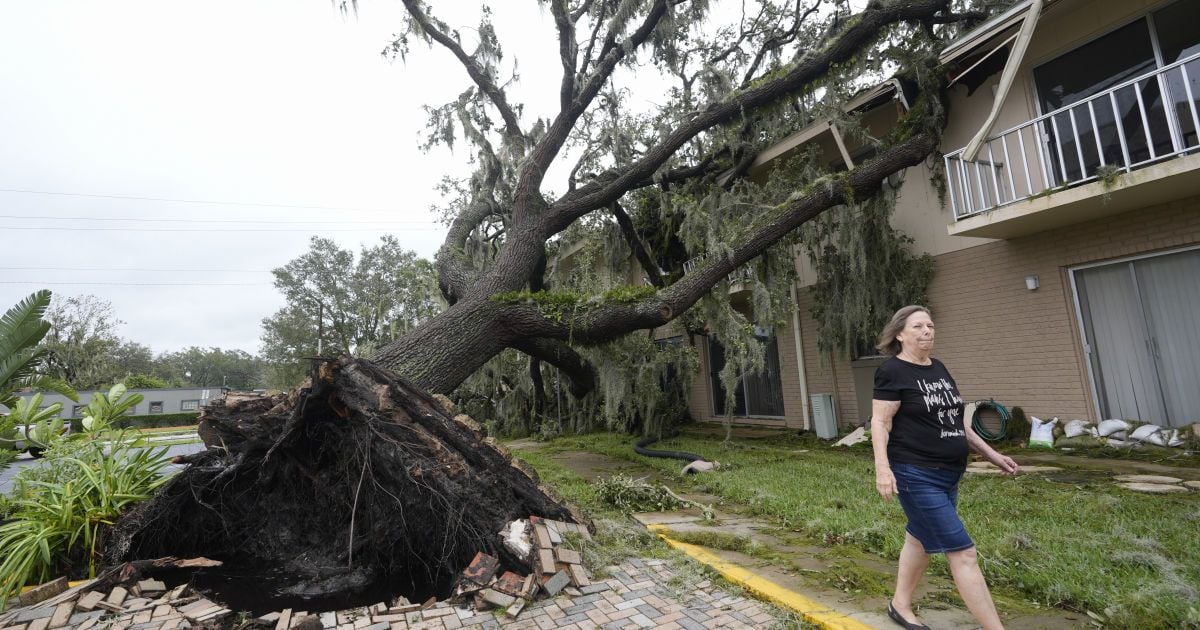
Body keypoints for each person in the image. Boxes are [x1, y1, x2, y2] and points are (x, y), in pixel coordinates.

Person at [870, 305, 1018, 630]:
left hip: (949, 474)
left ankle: (899, 605)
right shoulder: (892, 371)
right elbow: (880, 422)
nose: (927, 331)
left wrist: (991, 454)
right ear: (899, 334)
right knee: (963, 554)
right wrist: (883, 469)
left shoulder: (938, 368)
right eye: (918, 326)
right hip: (916, 473)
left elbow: (955, 422)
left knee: (919, 539)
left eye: (930, 325)